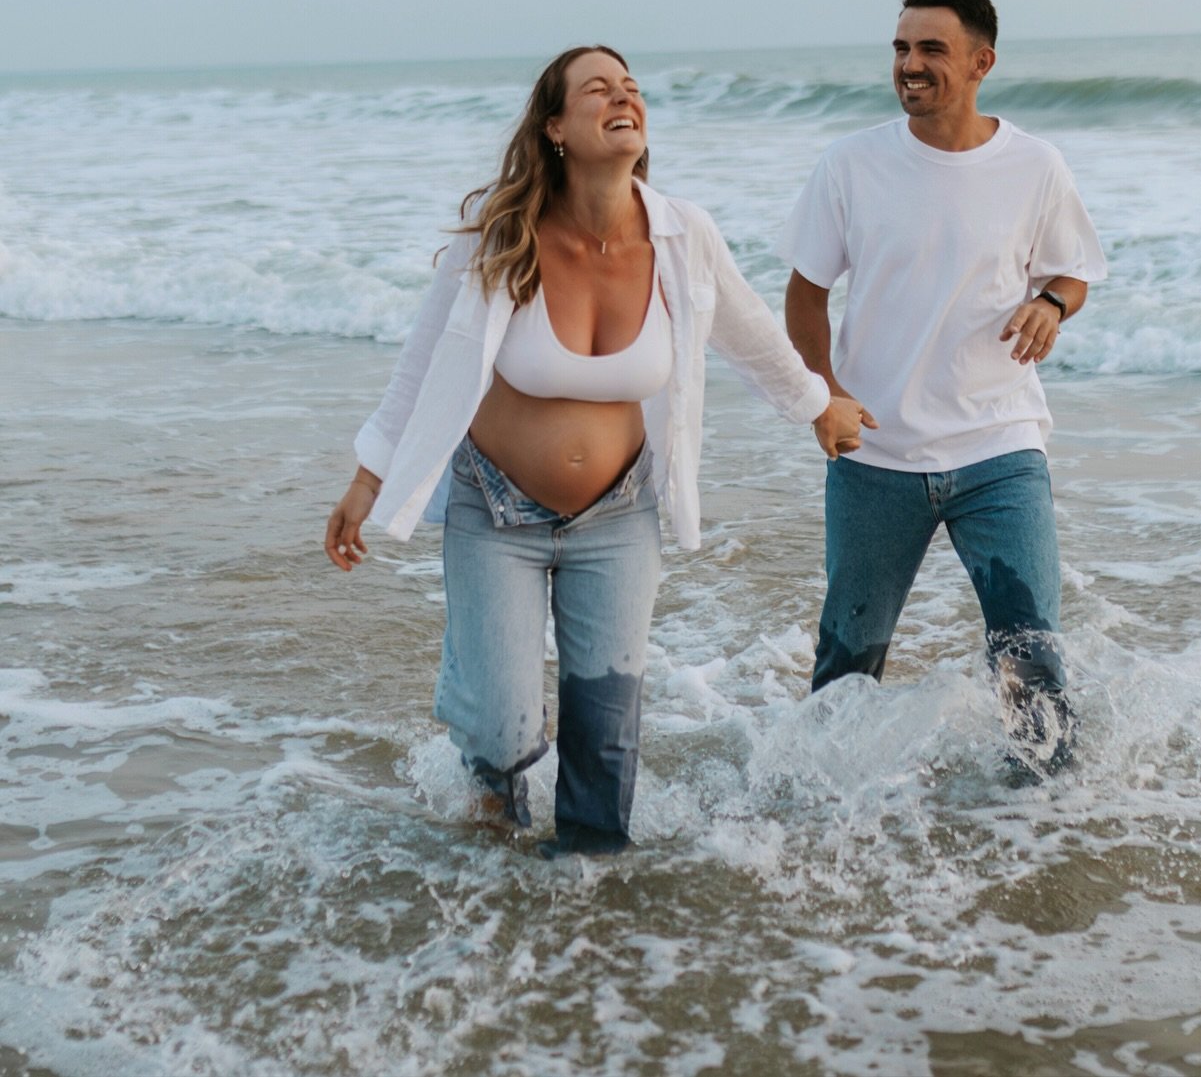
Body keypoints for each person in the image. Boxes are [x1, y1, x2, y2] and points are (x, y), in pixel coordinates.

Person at [325, 44, 866, 853]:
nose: (624, 98)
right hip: (494, 507)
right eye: (598, 89)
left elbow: (750, 332)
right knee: (502, 734)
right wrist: (369, 478)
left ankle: (585, 891)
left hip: (618, 513)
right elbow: (423, 362)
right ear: (554, 127)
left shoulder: (682, 234)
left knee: (605, 746)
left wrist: (818, 406)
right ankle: (487, 756)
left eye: (632, 88)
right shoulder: (502, 234)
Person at [780, 0, 1107, 769]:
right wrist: (825, 393)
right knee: (847, 667)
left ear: (981, 62)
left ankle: (1047, 821)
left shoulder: (1034, 165)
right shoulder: (851, 164)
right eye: (901, 48)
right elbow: (805, 294)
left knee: (1032, 660)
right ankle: (820, 812)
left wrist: (1051, 305)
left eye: (931, 48)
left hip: (1000, 445)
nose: (910, 64)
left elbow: (1073, 271)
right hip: (876, 452)